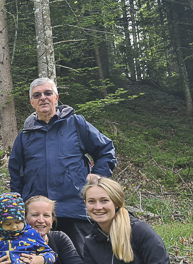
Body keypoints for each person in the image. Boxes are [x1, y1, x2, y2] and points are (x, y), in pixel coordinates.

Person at [8, 77, 117, 252]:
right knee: (39, 263)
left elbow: (106, 149)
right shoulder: (24, 135)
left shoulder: (76, 123)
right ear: (32, 103)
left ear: (56, 98)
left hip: (75, 208)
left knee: (81, 263)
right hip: (39, 216)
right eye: (37, 95)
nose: (43, 97)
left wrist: (99, 176)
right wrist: (18, 209)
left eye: (47, 93)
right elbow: (16, 175)